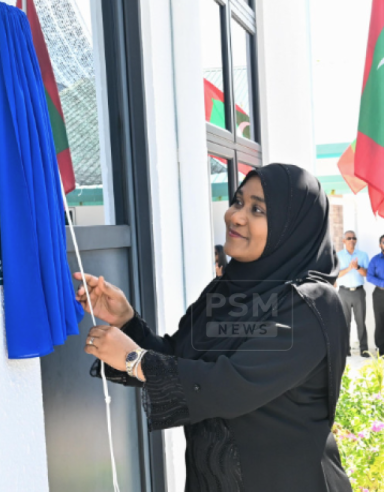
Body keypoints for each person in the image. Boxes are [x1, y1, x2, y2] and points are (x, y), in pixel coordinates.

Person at [76, 164, 351, 492]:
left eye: (258, 209)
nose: (235, 216)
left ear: (292, 228)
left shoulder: (311, 303)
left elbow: (233, 384)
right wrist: (126, 321)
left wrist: (135, 361)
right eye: (237, 201)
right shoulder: (226, 291)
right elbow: (182, 358)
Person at [336, 230, 370, 357]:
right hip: (343, 292)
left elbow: (367, 274)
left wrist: (357, 268)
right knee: (345, 322)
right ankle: (345, 350)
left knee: (361, 322)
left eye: (354, 238)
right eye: (349, 238)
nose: (352, 240)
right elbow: (336, 275)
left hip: (358, 292)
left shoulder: (362, 255)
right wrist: (349, 269)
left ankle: (364, 349)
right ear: (344, 241)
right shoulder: (338, 256)